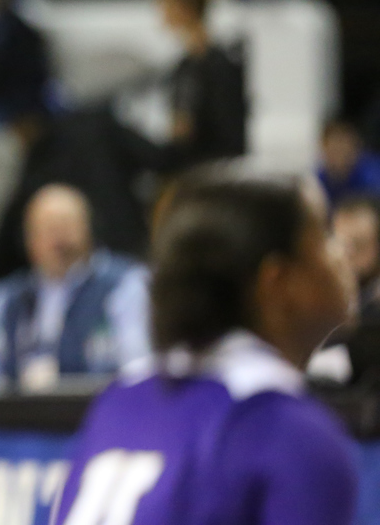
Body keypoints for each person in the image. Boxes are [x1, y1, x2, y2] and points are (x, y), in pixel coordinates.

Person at [53, 166, 358, 525]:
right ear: (276, 282)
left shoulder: (121, 398)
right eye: (324, 236)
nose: (343, 255)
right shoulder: (286, 431)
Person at [0, 184, 149, 394]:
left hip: (96, 411)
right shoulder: (7, 295)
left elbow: (140, 368)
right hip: (23, 416)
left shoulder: (125, 285)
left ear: (88, 229)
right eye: (48, 228)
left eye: (66, 226)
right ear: (29, 240)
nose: (58, 239)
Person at [150, 0, 246, 170]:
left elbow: (229, 135)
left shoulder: (218, 64)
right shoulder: (186, 64)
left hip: (209, 172)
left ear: (184, 6)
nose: (160, 12)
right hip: (191, 168)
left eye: (165, 3)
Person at [318, 119, 380, 207]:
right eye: (334, 147)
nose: (339, 152)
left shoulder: (371, 177)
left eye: (342, 145)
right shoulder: (317, 180)